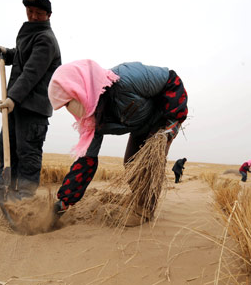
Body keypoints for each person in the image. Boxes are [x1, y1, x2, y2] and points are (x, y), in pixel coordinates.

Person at [47, 59, 188, 220]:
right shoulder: (91, 121)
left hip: (162, 119)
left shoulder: (127, 78)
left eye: (67, 103)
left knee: (147, 162)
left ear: (79, 89)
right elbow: (86, 161)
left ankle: (143, 212)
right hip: (140, 128)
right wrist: (64, 201)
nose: (69, 109)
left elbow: (171, 80)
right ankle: (142, 200)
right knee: (130, 164)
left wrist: (173, 120)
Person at [0, 0, 61, 199]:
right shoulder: (31, 33)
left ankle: (25, 194)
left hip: (33, 106)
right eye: (30, 11)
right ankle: (5, 187)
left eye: (39, 13)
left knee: (28, 151)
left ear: (48, 15)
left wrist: (12, 98)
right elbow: (21, 56)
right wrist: (6, 54)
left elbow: (31, 72)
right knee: (6, 146)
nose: (34, 16)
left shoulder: (46, 39)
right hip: (17, 103)